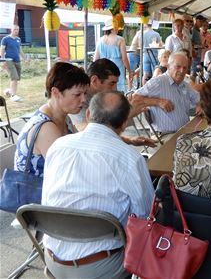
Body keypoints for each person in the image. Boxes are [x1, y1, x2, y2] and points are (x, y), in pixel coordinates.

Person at [42, 91, 154, 279]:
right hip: (102, 266)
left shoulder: (58, 146)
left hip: (52, 260)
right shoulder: (129, 158)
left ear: (88, 115)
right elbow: (145, 217)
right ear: (125, 122)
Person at [14, 62, 90, 176]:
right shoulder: (45, 127)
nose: (83, 99)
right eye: (77, 94)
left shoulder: (64, 118)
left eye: (85, 93)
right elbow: (68, 172)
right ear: (56, 92)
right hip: (38, 192)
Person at [68, 58, 156, 147]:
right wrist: (123, 115)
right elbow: (86, 131)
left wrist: (130, 140)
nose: (115, 89)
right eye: (111, 83)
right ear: (94, 81)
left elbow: (103, 133)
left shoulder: (98, 96)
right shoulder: (81, 99)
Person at [134, 52, 200, 134]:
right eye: (178, 67)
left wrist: (199, 105)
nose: (182, 71)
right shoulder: (158, 82)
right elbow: (134, 98)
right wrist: (158, 102)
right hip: (165, 136)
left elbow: (198, 99)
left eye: (185, 68)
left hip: (183, 133)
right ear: (168, 66)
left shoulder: (185, 85)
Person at [94, 19, 132, 92]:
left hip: (104, 68)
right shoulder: (120, 39)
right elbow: (124, 58)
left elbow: (96, 59)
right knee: (118, 90)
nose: (118, 29)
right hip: (117, 68)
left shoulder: (100, 40)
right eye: (117, 27)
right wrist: (129, 71)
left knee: (106, 89)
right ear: (113, 28)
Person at [1, 25, 25, 101]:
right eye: (15, 29)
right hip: (9, 60)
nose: (16, 31)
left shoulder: (18, 39)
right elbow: (2, 50)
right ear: (11, 30)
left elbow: (20, 50)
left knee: (17, 78)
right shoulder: (5, 39)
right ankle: (13, 96)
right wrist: (3, 61)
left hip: (17, 60)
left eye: (17, 29)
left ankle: (8, 91)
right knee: (14, 77)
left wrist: (25, 58)